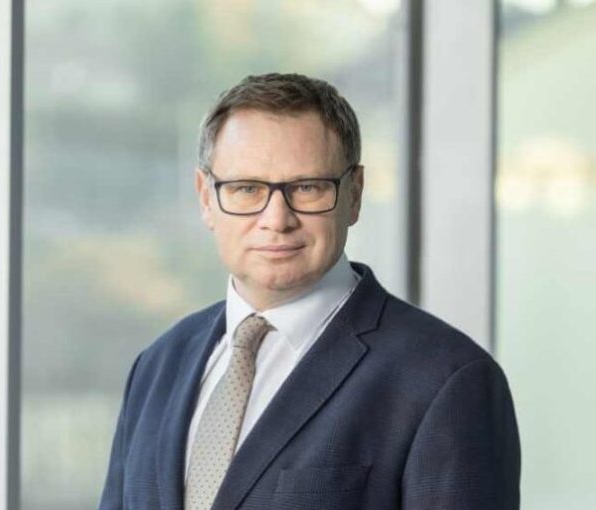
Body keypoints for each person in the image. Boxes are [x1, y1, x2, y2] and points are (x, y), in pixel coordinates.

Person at [99, 73, 520, 510]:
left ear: (354, 195)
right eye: (246, 189)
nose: (276, 220)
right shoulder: (158, 366)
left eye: (307, 188)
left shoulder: (445, 380)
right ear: (206, 197)